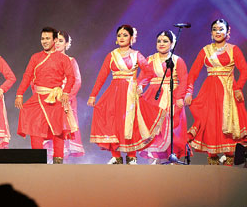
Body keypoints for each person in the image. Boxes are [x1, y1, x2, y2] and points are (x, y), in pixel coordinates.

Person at [88, 25, 163, 164]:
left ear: (131, 38)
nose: (122, 38)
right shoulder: (111, 56)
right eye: (119, 35)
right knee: (112, 122)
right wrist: (93, 95)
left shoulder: (136, 55)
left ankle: (132, 157)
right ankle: (116, 156)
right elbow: (102, 77)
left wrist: (140, 84)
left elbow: (149, 72)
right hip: (114, 93)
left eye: (125, 35)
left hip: (130, 93)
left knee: (131, 123)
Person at [185, 19, 247, 166]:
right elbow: (193, 72)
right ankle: (212, 162)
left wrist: (238, 87)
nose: (218, 32)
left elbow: (244, 70)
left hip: (229, 92)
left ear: (228, 31)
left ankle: (229, 161)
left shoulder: (233, 49)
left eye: (221, 29)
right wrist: (189, 91)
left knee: (229, 124)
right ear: (211, 32)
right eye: (215, 29)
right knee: (211, 123)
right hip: (210, 92)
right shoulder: (206, 50)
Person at [15, 27, 77, 164]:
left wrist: (66, 92)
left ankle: (58, 161)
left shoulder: (63, 58)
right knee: (34, 126)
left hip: (55, 98)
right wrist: (19, 94)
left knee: (58, 130)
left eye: (47, 38)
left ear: (55, 40)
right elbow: (27, 76)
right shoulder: (35, 57)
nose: (44, 41)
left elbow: (71, 77)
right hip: (38, 97)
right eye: (42, 38)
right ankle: (37, 160)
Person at [138, 30, 189, 163]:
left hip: (171, 96)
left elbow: (184, 81)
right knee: (153, 127)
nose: (161, 44)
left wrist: (179, 98)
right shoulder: (149, 59)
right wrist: (140, 86)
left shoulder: (178, 61)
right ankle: (154, 157)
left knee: (172, 127)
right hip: (153, 96)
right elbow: (143, 77)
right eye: (159, 41)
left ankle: (171, 156)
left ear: (172, 44)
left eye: (165, 41)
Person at [44, 31, 85, 160]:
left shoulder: (71, 61)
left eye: (60, 41)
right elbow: (36, 80)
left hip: (66, 101)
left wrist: (66, 95)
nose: (57, 44)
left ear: (67, 44)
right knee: (49, 131)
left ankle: (61, 164)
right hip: (49, 100)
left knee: (63, 131)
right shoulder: (45, 59)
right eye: (55, 41)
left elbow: (77, 81)